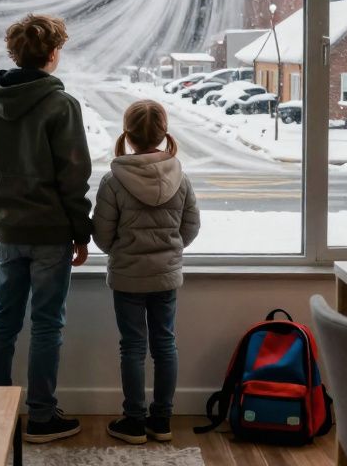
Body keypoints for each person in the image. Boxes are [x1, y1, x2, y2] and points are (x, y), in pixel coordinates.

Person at [0, 13, 92, 444]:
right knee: (46, 324)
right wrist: (82, 232)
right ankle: (42, 417)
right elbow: (73, 177)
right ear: (53, 54)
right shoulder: (62, 106)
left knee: (3, 321)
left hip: (9, 233)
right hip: (50, 235)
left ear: (15, 53)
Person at [92, 99, 200, 445]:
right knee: (165, 344)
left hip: (128, 277)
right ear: (164, 133)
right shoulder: (179, 176)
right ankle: (162, 420)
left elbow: (102, 235)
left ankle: (134, 421)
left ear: (128, 134)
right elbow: (191, 227)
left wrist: (124, 251)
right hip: (166, 277)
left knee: (133, 347)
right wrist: (168, 251)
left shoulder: (113, 180)